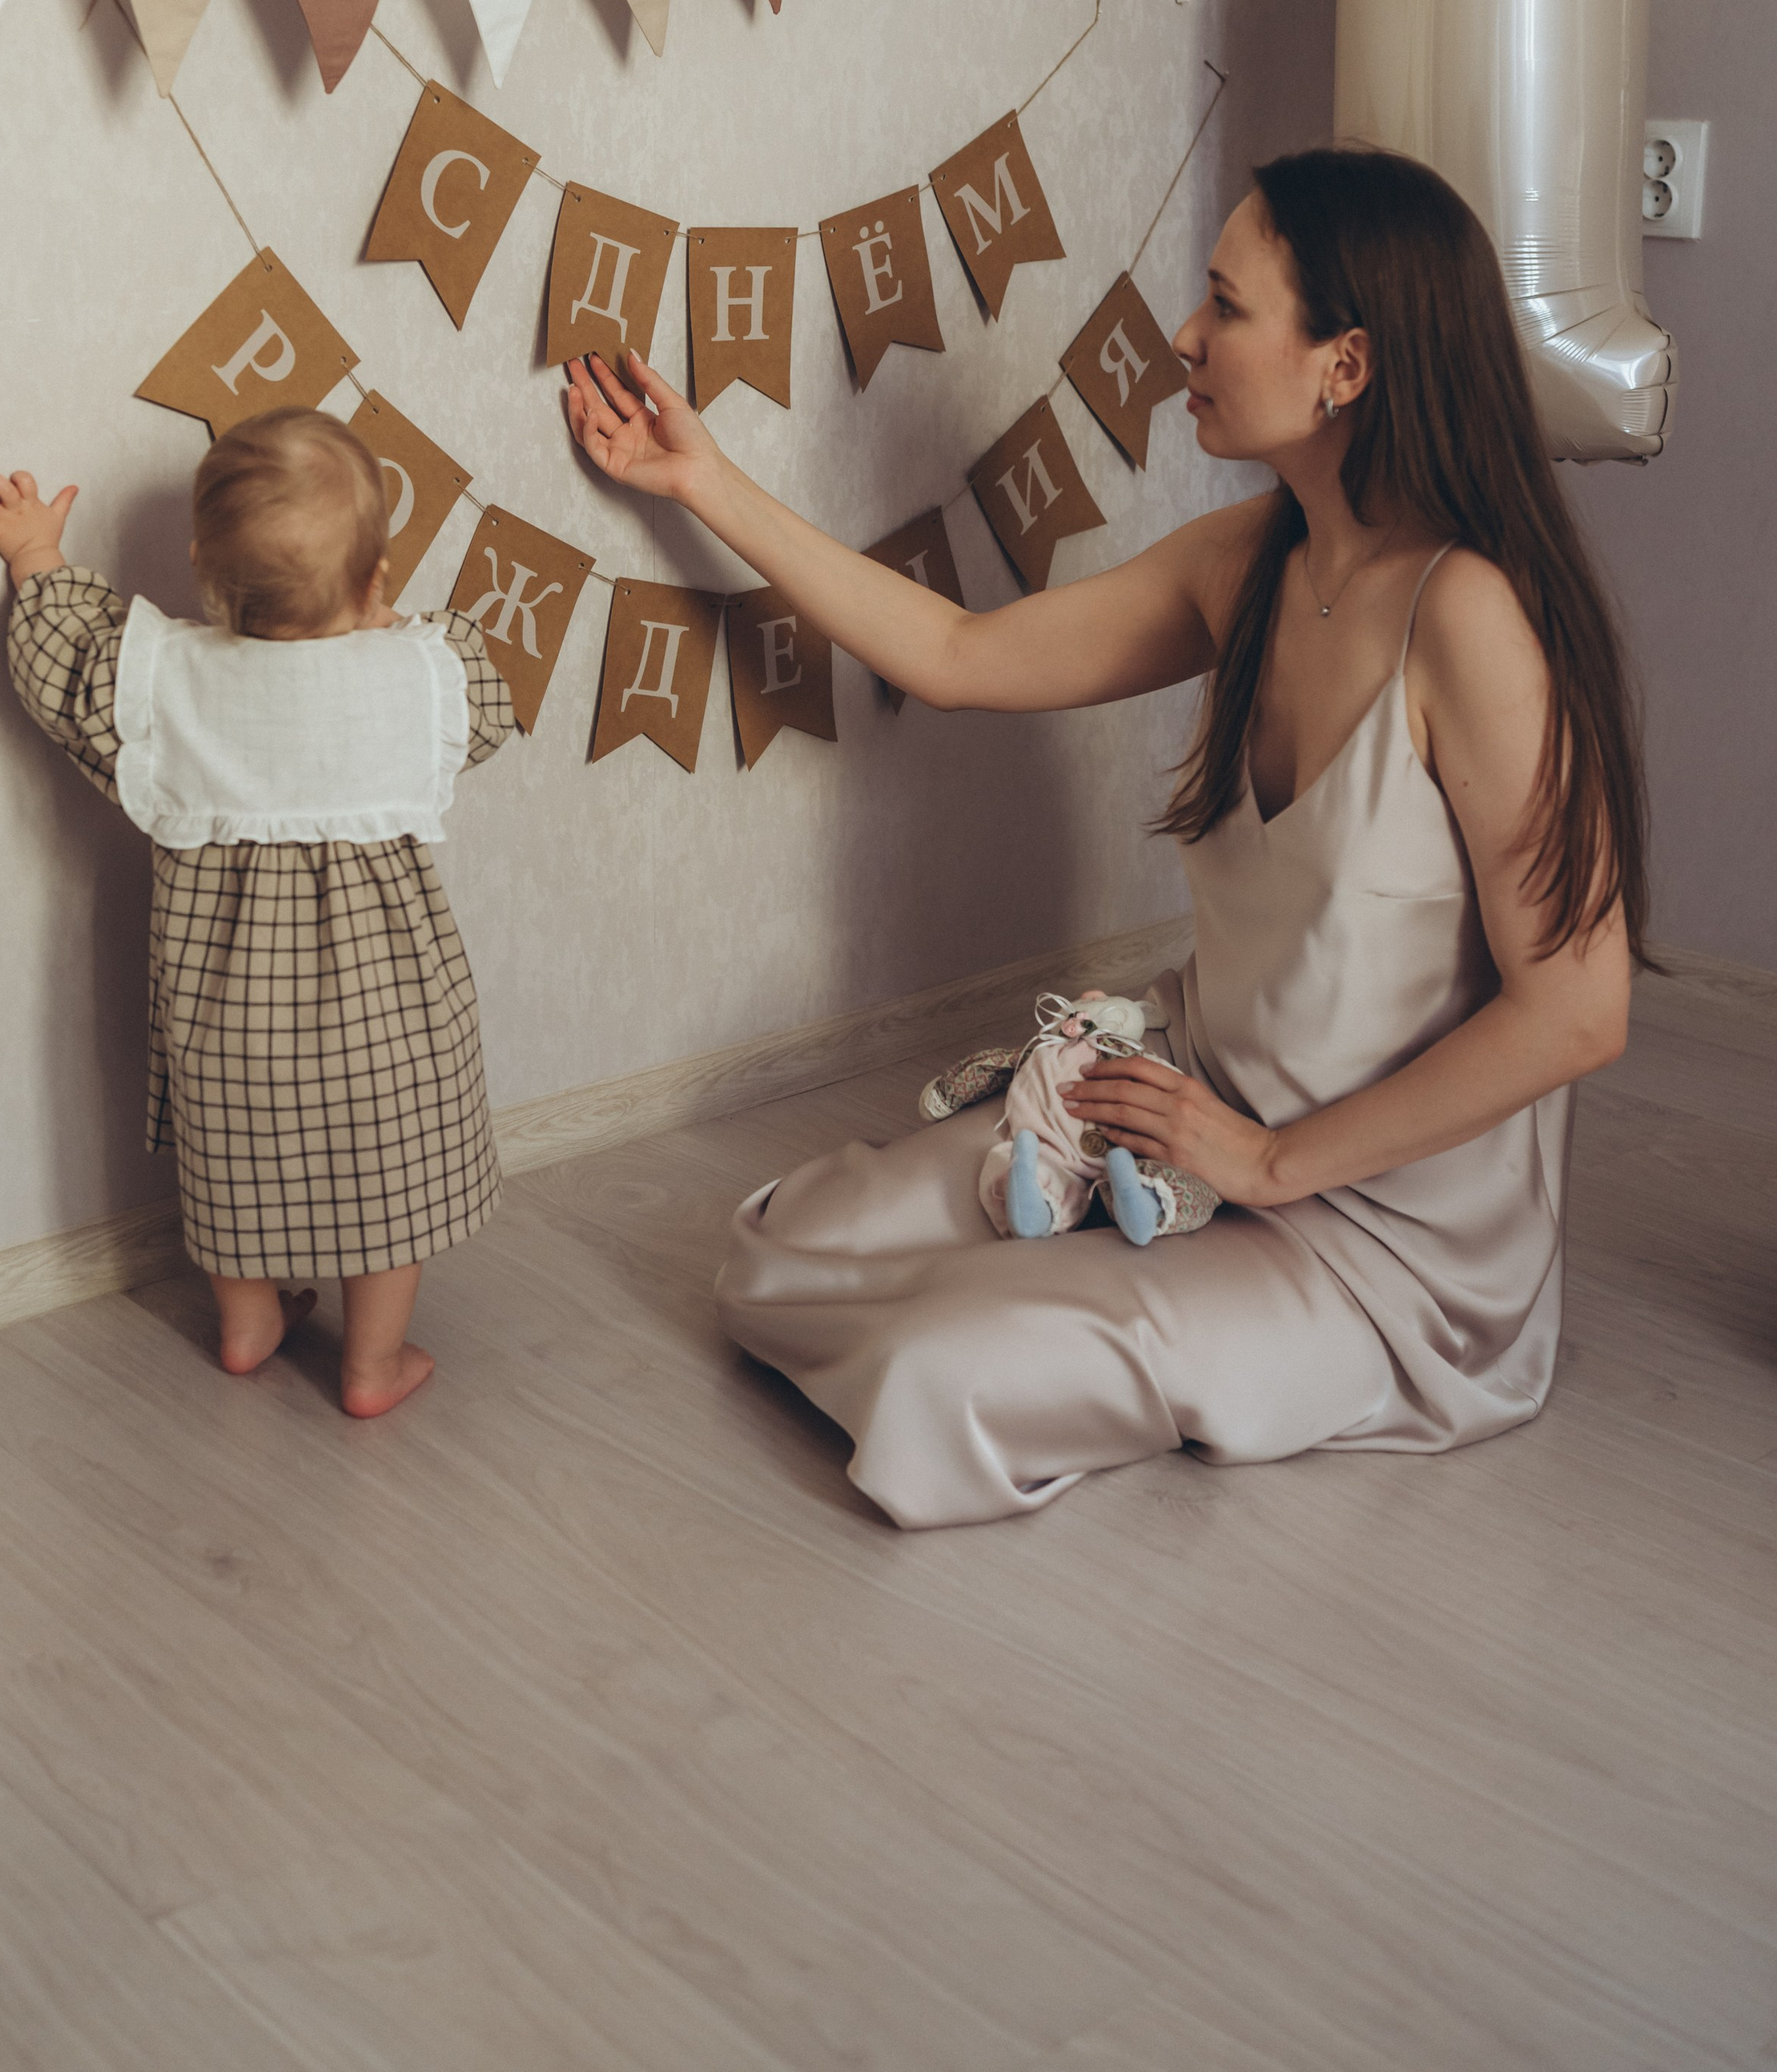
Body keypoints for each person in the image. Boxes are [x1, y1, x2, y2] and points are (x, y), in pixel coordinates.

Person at [563, 144, 1641, 1529]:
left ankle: (1106, 1288)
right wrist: (701, 482)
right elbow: (953, 652)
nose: (1182, 338)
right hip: (1188, 1111)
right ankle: (1101, 1252)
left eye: (1226, 307)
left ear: (1346, 366)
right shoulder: (1246, 562)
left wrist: (1264, 1165)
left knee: (936, 1377)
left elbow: (1578, 1010)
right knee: (782, 1249)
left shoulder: (1474, 618)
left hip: (1381, 1230)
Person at [0, 407, 514, 1419]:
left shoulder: (163, 681)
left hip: (230, 1029)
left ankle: (250, 1323)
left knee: (236, 1177)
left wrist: (36, 550)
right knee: (391, 1195)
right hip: (393, 1030)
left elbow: (62, 664)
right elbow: (484, 700)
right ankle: (370, 1365)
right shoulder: (419, 674)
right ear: (377, 572)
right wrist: (394, 629)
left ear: (204, 563)